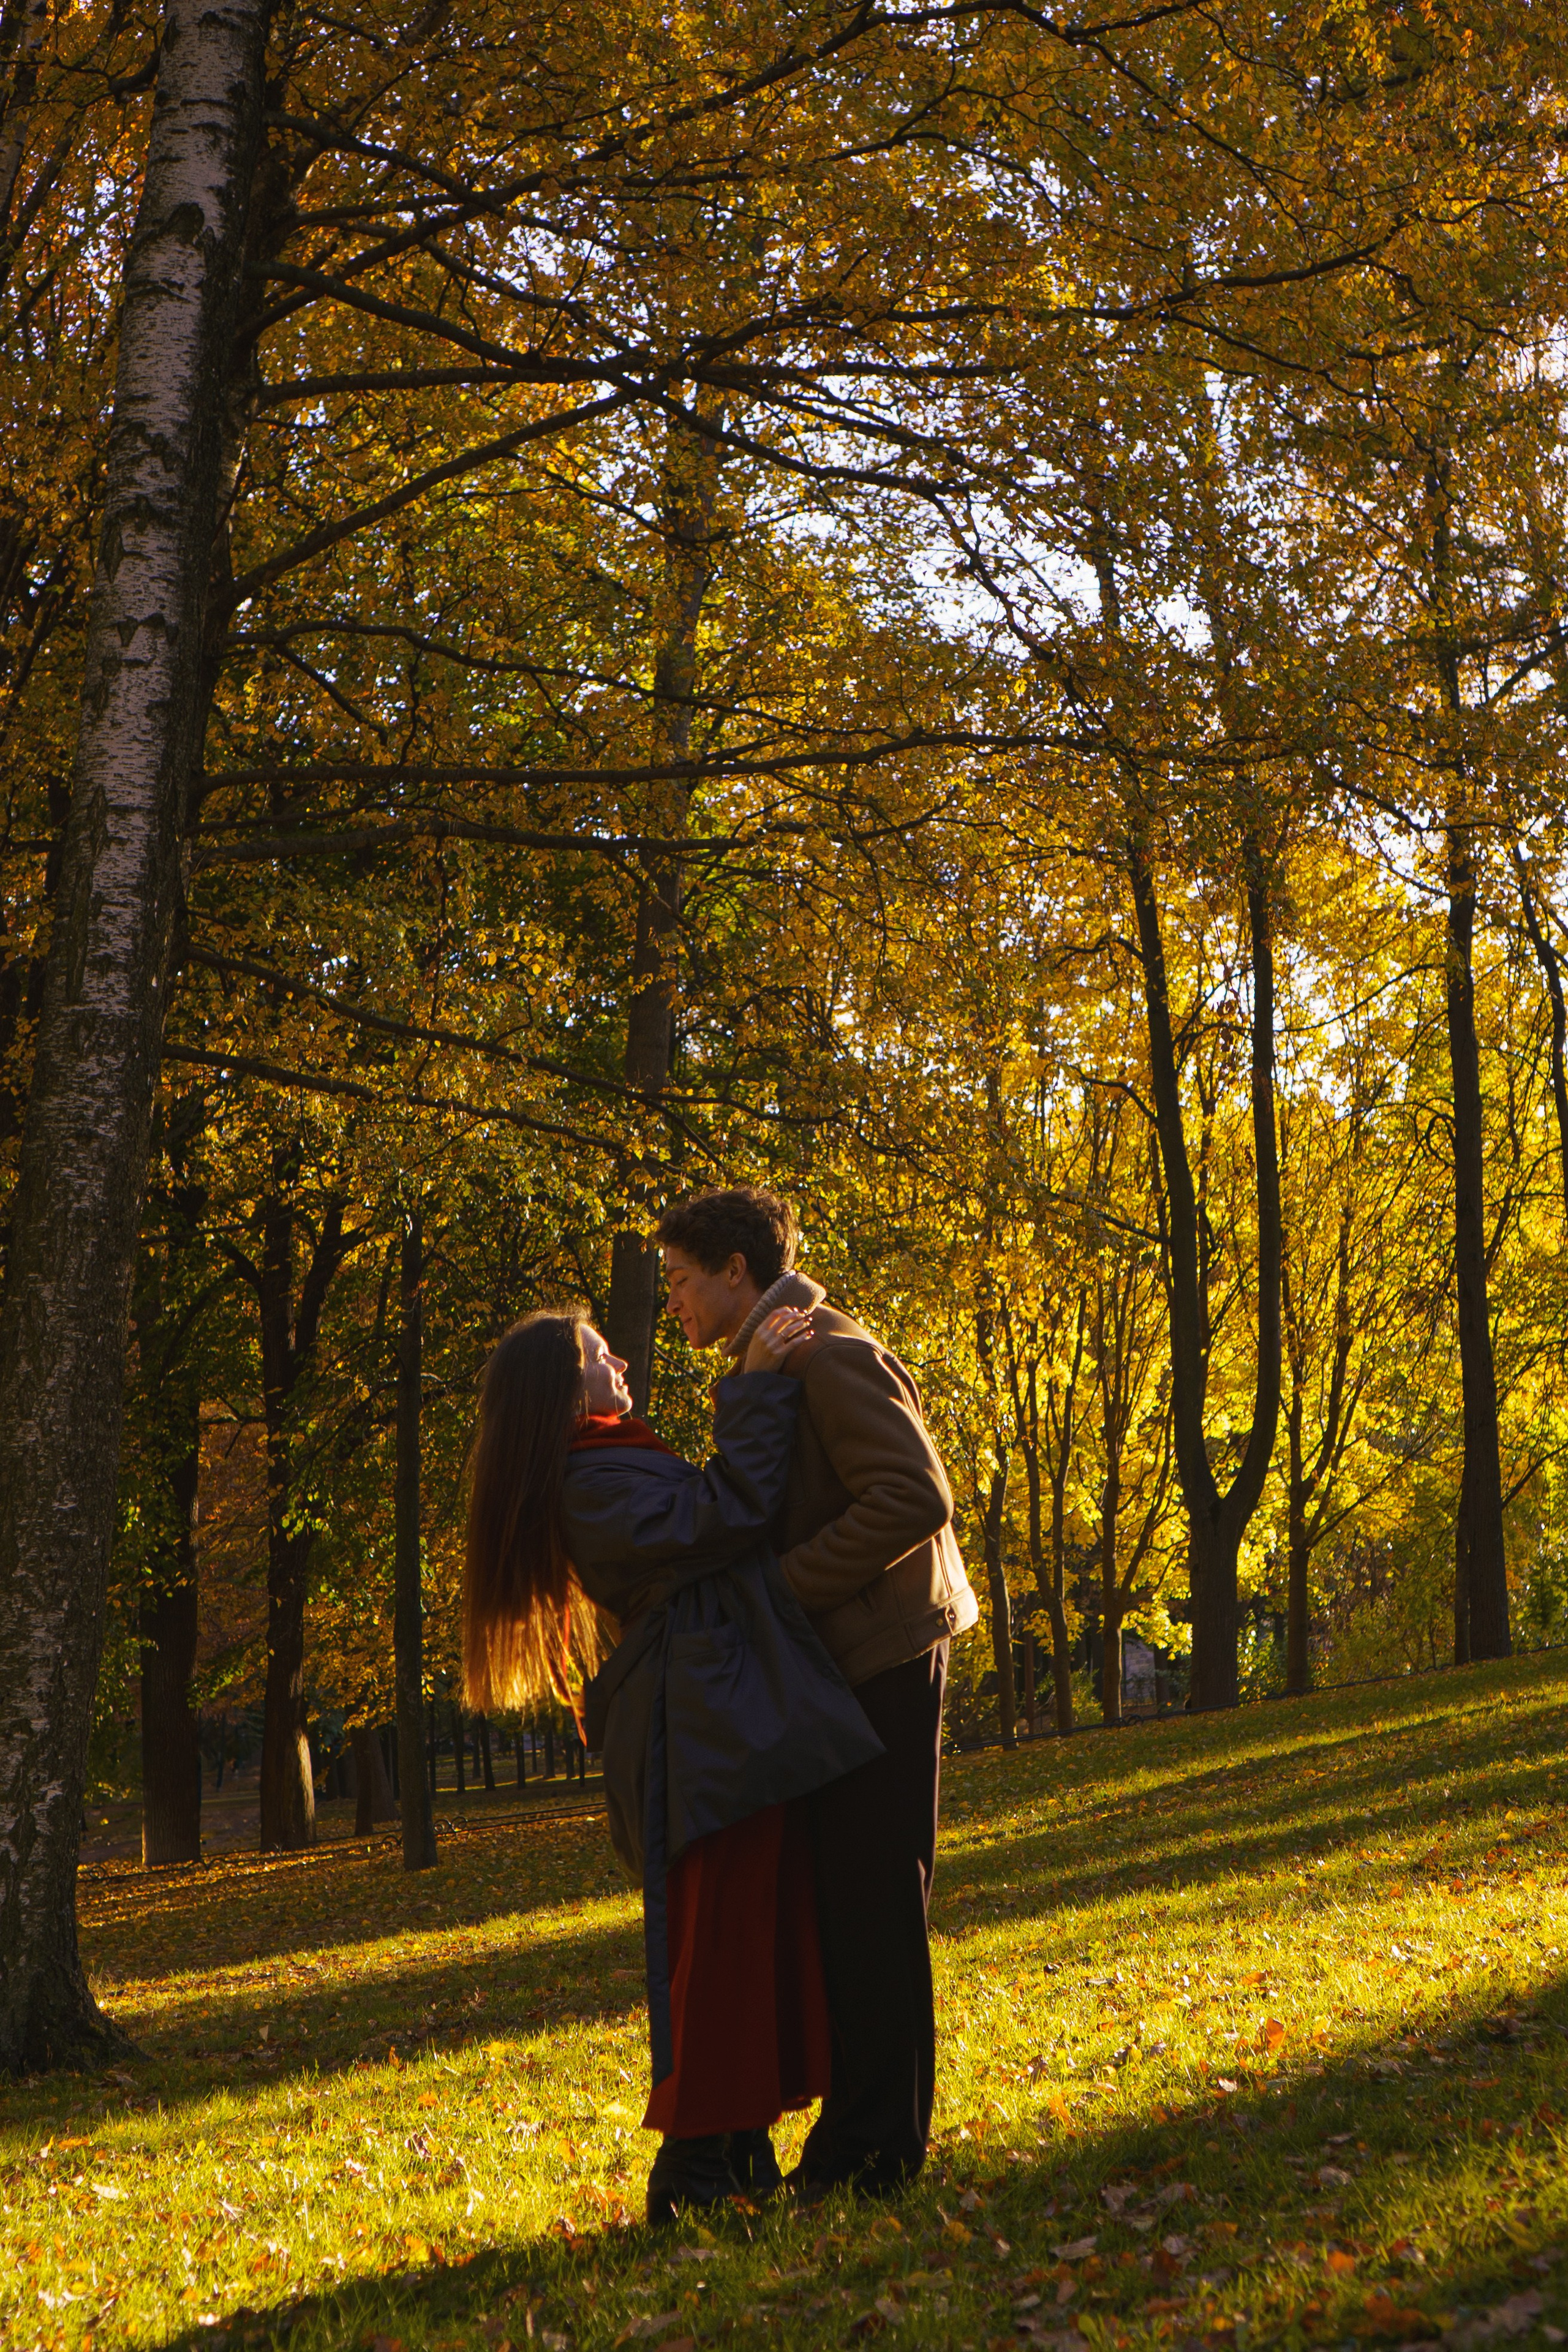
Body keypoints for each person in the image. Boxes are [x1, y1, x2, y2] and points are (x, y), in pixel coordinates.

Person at [462, 1303, 880, 2225]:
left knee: (745, 1932)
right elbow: (723, 1514)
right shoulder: (585, 1481)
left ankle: (735, 2150)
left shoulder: (601, 1456)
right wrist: (754, 1389)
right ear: (559, 1390)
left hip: (718, 1713)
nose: (616, 1354)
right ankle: (696, 2167)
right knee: (719, 1939)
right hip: (698, 1728)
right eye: (593, 1352)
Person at [658, 1185, 979, 2198]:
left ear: (736, 1272)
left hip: (883, 1657)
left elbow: (916, 1496)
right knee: (848, 1908)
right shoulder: (779, 1354)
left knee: (875, 1908)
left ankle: (877, 2153)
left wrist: (782, 1596)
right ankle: (856, 2144)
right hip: (847, 1664)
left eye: (678, 1280)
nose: (671, 1303)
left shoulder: (831, 1353)